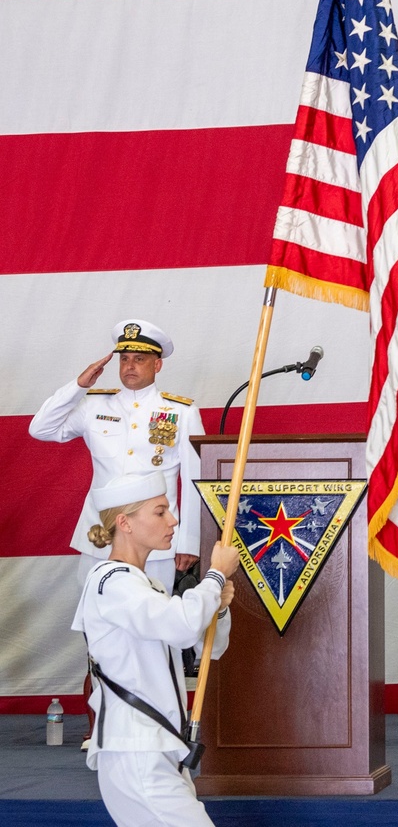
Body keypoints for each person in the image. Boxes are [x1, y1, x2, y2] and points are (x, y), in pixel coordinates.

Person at [71, 471, 238, 827]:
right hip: (137, 752)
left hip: (160, 749)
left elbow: (210, 647)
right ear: (124, 523)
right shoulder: (110, 582)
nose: (173, 520)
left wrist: (217, 607)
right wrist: (215, 576)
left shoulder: (147, 588)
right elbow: (180, 625)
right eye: (160, 512)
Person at [30, 318, 206, 588]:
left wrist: (189, 540)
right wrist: (78, 386)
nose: (130, 366)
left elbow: (196, 479)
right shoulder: (94, 405)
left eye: (139, 359)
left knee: (155, 620)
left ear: (157, 364)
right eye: (124, 359)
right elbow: (40, 429)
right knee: (96, 615)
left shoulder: (181, 412)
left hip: (155, 537)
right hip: (101, 534)